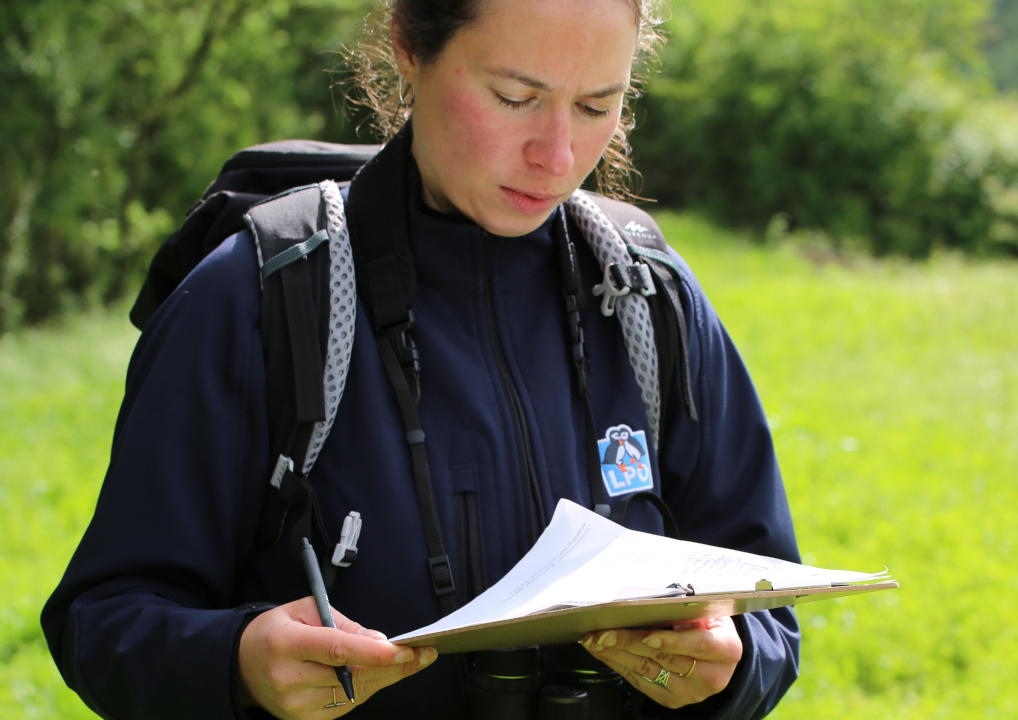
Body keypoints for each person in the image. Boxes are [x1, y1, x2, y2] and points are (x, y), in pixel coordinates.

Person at [42, 0, 801, 718]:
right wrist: (236, 664)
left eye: (598, 106)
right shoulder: (258, 297)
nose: (559, 154)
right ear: (409, 46)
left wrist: (731, 663)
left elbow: (771, 614)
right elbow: (103, 622)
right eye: (514, 96)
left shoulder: (649, 295)